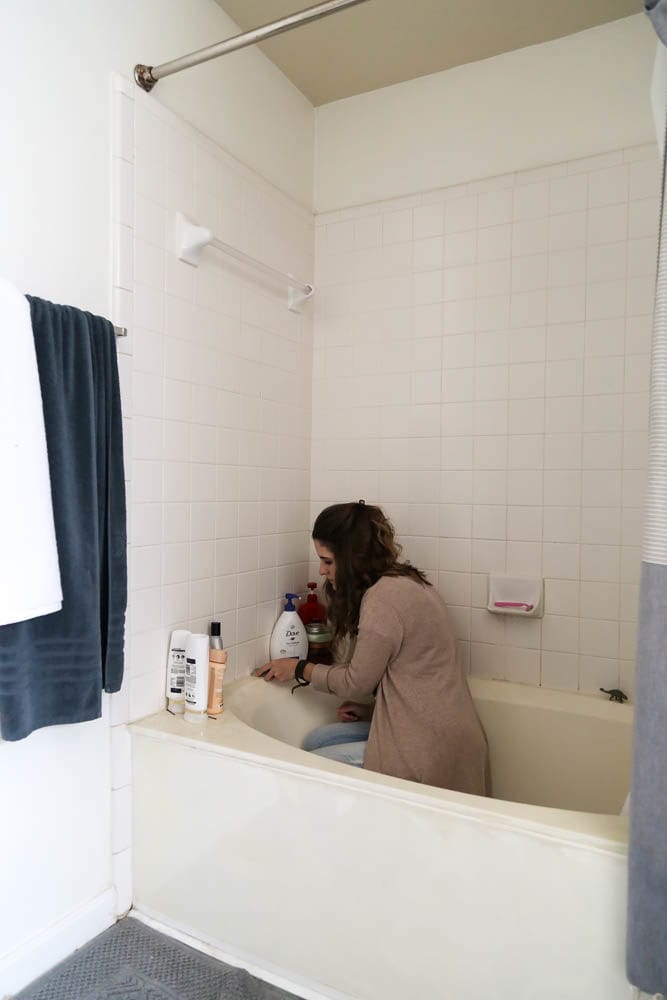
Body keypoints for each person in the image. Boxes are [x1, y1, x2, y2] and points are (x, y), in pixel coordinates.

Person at [256, 501, 490, 795]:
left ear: (351, 558)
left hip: (429, 750)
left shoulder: (383, 599)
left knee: (311, 770)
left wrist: (298, 668)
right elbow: (415, 677)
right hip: (437, 732)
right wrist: (372, 711)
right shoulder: (405, 581)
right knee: (319, 740)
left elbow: (356, 682)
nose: (322, 570)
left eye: (328, 561)